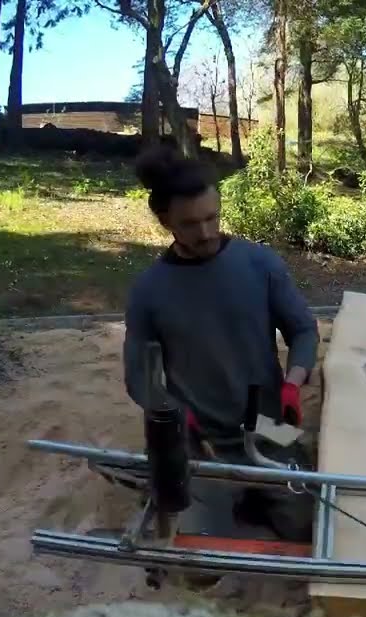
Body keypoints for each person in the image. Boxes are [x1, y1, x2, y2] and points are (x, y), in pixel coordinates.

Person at [122, 146, 319, 544]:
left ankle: (254, 493)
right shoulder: (148, 292)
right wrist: (173, 413)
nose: (206, 233)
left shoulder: (260, 264)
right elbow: (137, 377)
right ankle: (190, 488)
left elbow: (303, 331)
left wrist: (293, 385)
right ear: (165, 222)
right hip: (197, 438)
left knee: (308, 527)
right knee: (201, 554)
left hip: (267, 425)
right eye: (191, 224)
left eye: (212, 218)